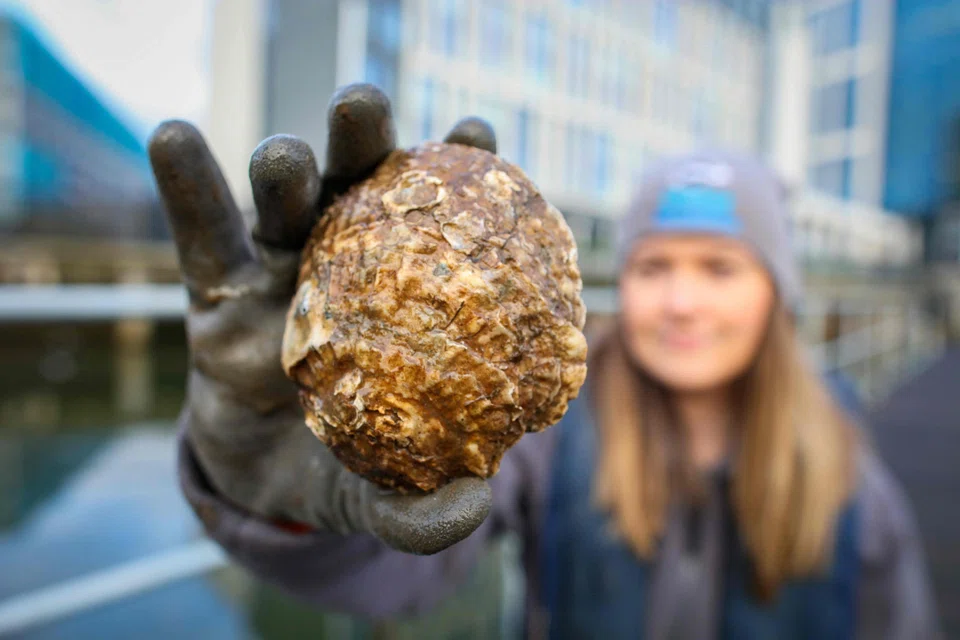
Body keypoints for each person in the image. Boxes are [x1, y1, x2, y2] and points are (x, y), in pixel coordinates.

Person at [152, 84, 940, 639]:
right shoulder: (549, 443)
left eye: (721, 269)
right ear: (617, 281)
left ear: (778, 297)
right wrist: (263, 503)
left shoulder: (852, 479)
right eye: (655, 267)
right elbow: (396, 578)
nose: (682, 303)